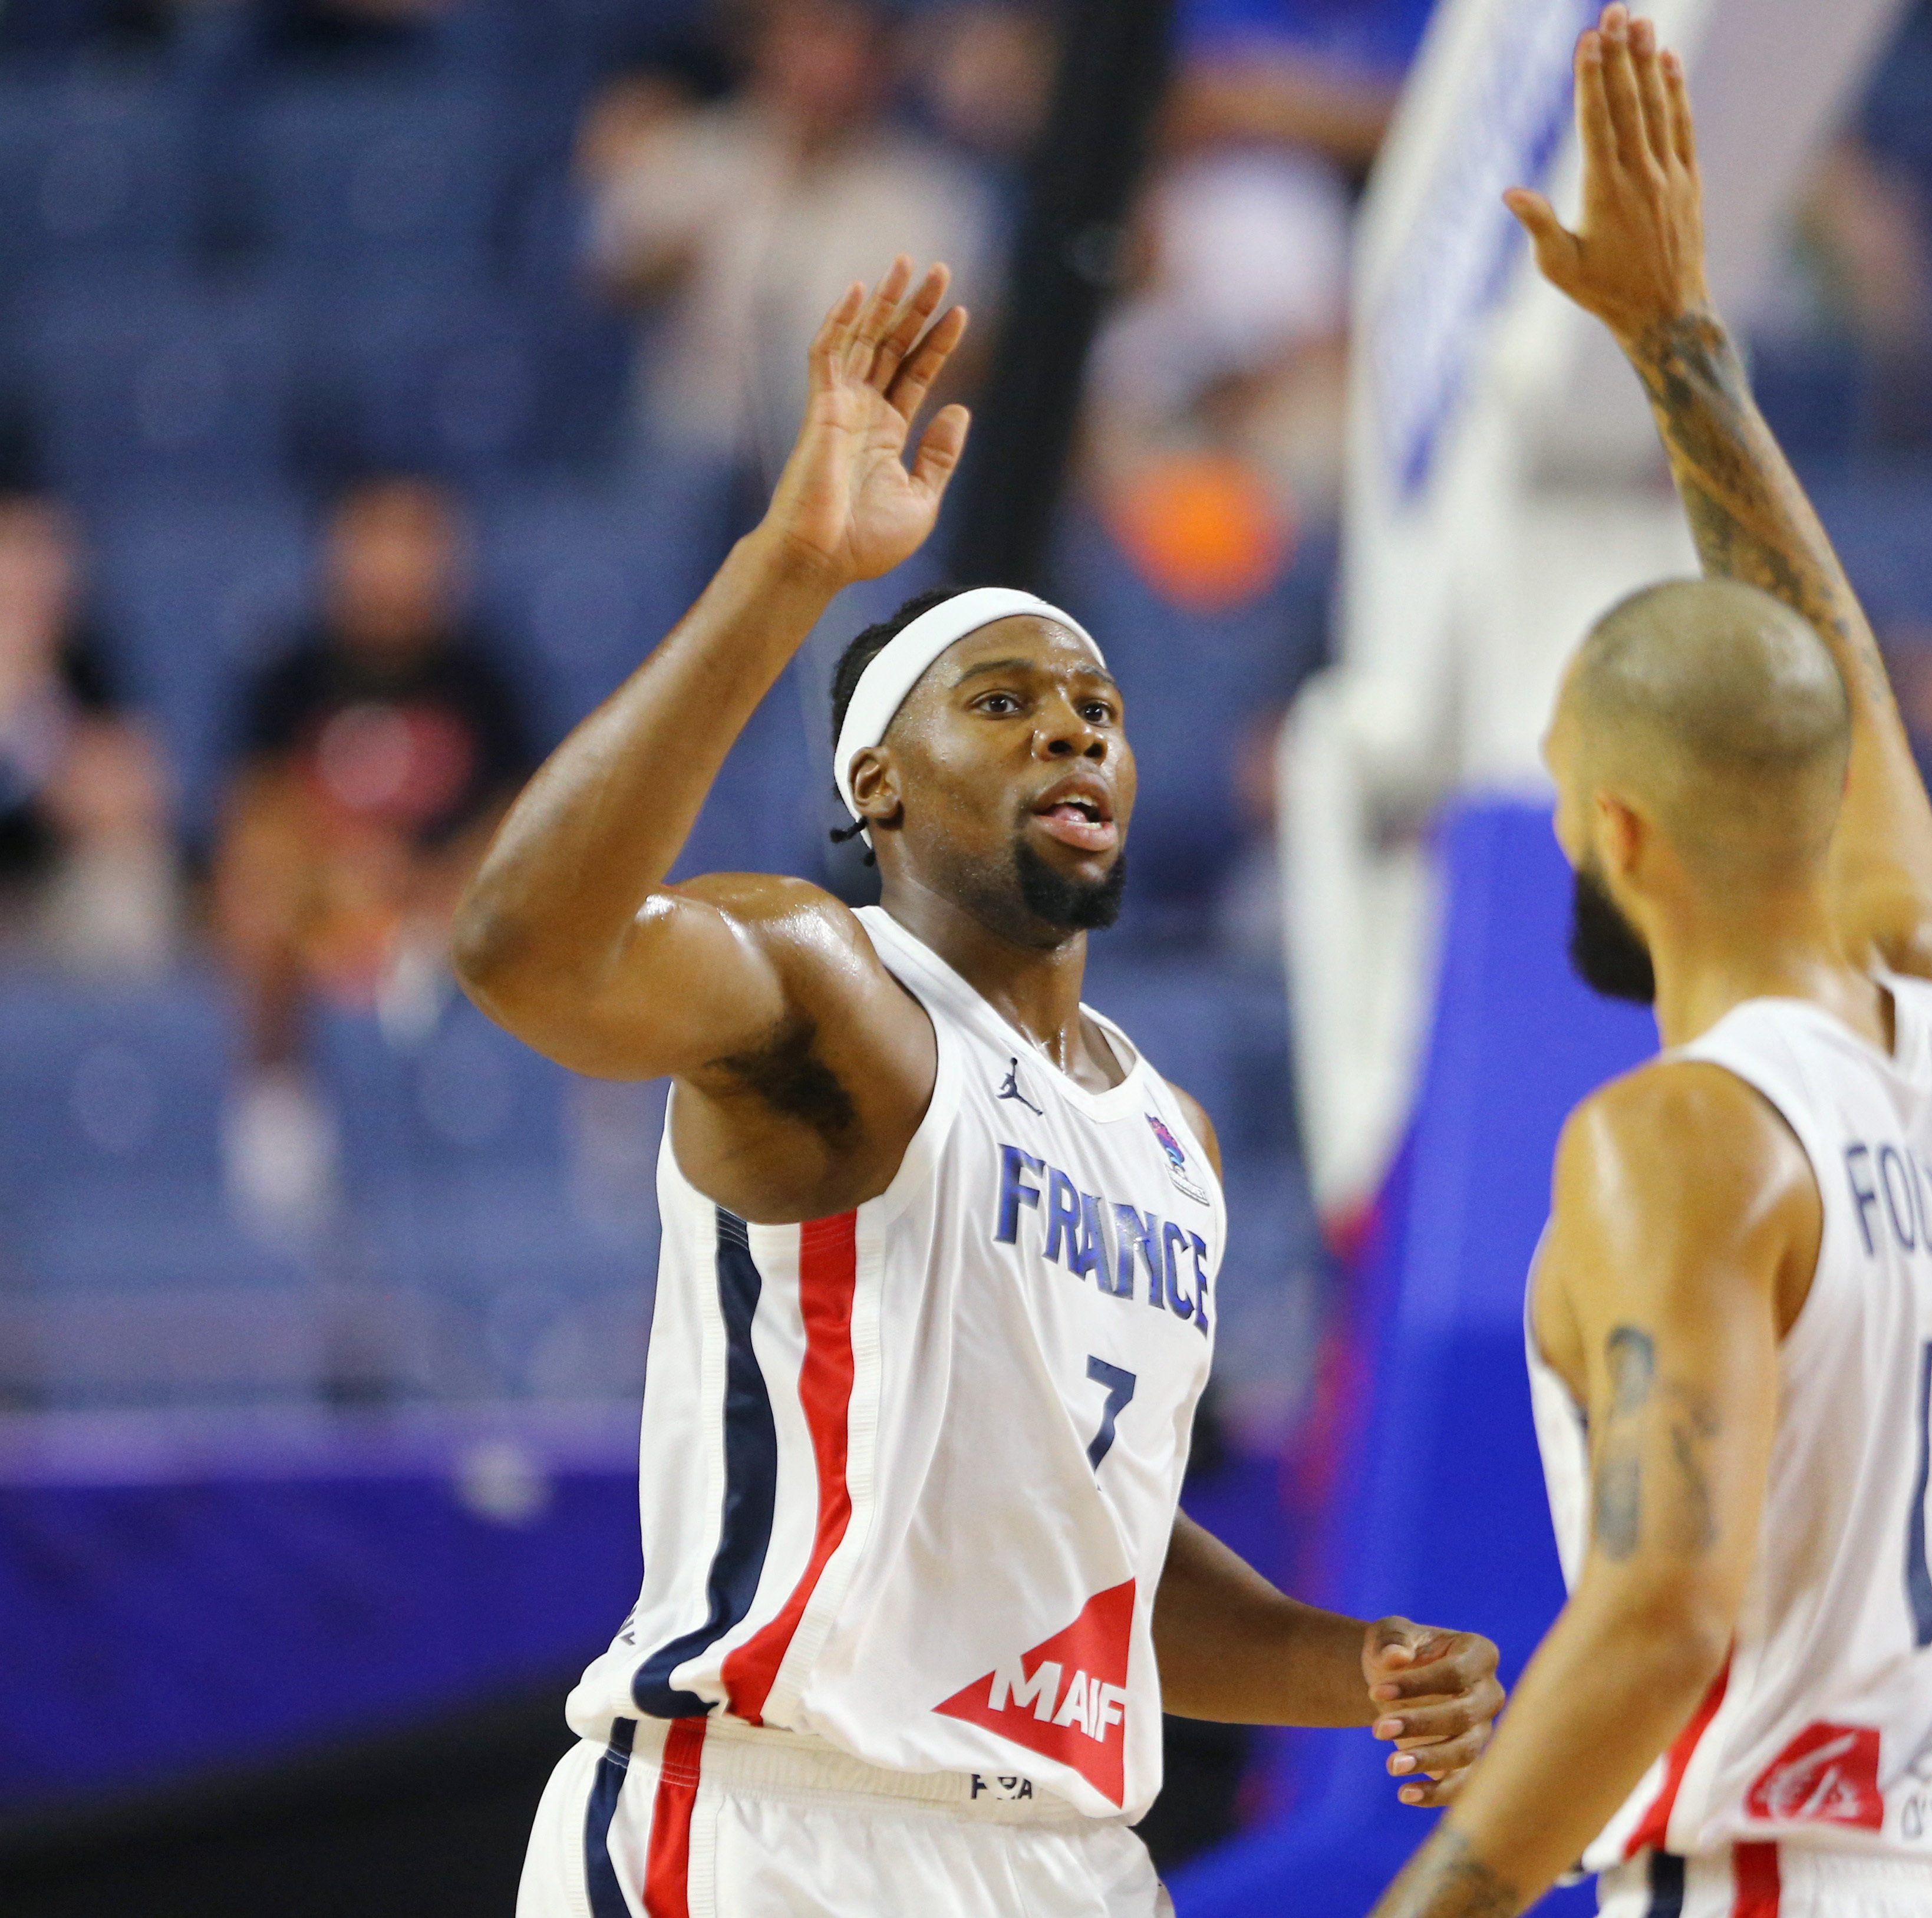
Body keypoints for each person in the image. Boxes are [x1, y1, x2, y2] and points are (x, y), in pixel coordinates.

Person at [453, 258, 1504, 1918]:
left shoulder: (1173, 1134)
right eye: (1003, 704)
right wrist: (789, 565)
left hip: (1068, 1854)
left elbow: (1086, 1559)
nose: (1071, 735)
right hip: (777, 1822)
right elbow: (524, 946)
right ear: (875, 783)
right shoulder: (827, 985)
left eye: (1096, 708)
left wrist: (1350, 1661)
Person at [1370, 15, 1932, 1917]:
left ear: (1624, 839)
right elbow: (1832, 712)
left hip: (1769, 1879)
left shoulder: (1675, 1139)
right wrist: (1682, 357)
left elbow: (1664, 1603)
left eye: (1564, 778)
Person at [213, 474, 535, 1231]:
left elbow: (526, 811)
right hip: (322, 906)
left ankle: (584, 1119)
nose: (395, 562)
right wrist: (345, 870)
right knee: (252, 890)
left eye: (414, 539)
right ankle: (275, 1102)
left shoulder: (484, 677)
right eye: (375, 539)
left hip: (448, 904)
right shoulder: (289, 675)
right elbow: (252, 809)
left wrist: (427, 881)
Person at [583, 0, 998, 470]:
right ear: (768, 50)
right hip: (689, 451)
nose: (828, 68)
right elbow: (604, 281)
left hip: (846, 458)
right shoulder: (693, 152)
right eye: (810, 41)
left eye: (852, 47)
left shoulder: (932, 195)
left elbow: (965, 350)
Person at [0, 491, 180, 976]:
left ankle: (115, 1045)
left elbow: (137, 798)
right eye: (16, 553)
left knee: (128, 880)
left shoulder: (87, 663)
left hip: (47, 886)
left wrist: (33, 714)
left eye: (47, 555)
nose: (33, 577)